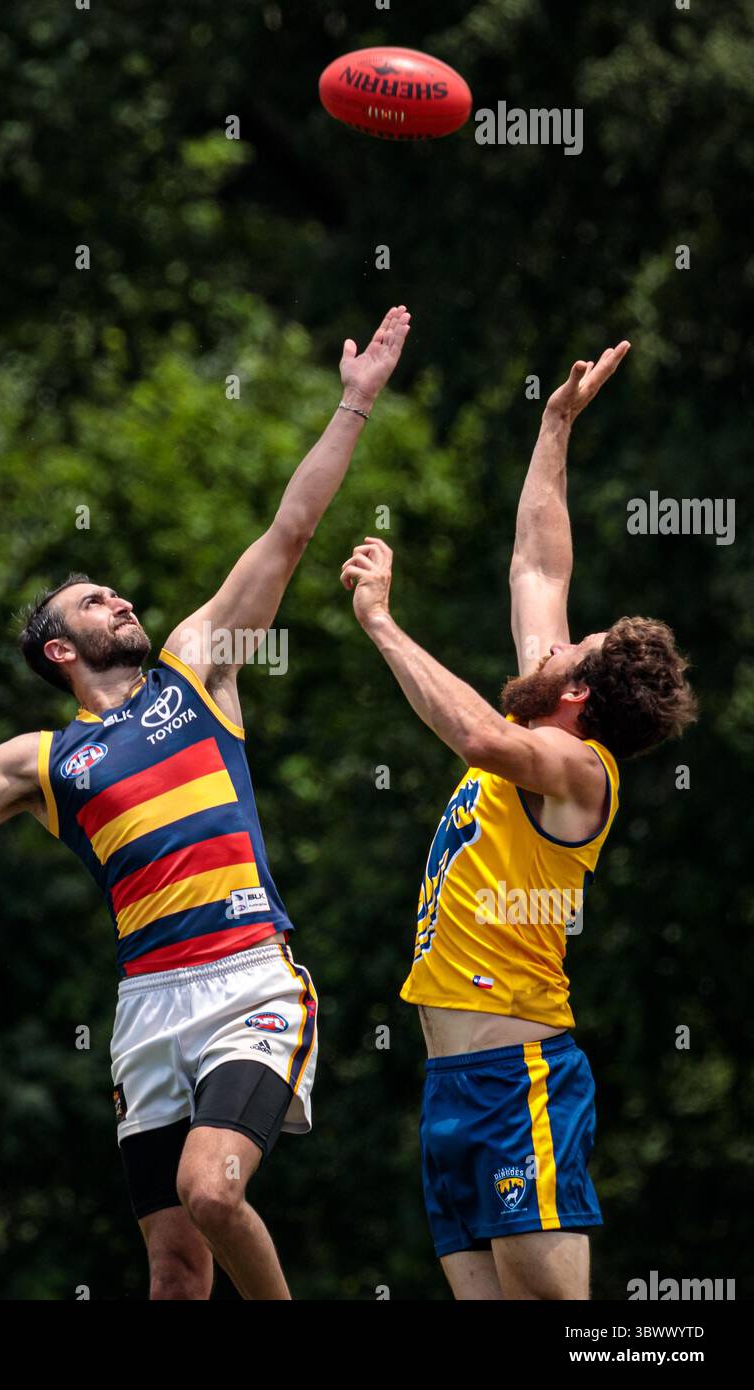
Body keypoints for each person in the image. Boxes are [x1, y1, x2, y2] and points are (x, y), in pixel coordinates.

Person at [0, 305, 412, 1300]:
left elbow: (290, 528)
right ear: (59, 650)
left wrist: (352, 403)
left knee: (209, 1191)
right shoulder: (42, 761)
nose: (121, 602)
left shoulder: (197, 668)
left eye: (117, 593)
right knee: (171, 1267)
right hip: (147, 1005)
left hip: (248, 980)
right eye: (94, 602)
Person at [340, 342, 697, 1299]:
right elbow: (539, 559)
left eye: (572, 644)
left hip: (519, 1083)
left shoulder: (572, 765)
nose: (555, 630)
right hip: (452, 1093)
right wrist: (555, 424)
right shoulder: (547, 714)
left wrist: (381, 621)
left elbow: (474, 739)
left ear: (576, 690)